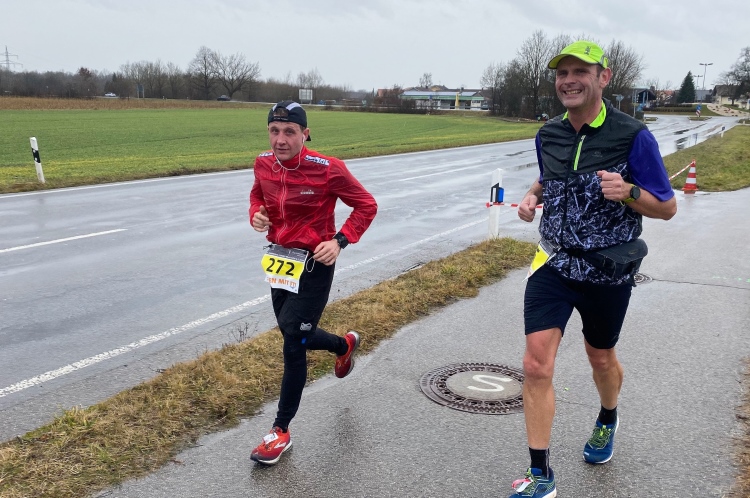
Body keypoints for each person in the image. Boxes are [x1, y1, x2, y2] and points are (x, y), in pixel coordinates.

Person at [509, 41, 677, 497]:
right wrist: (532, 196)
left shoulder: (633, 135)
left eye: (579, 71)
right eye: (562, 73)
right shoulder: (548, 133)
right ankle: (540, 475)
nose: (569, 80)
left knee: (600, 356)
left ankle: (607, 417)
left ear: (603, 77)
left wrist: (629, 192)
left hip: (607, 270)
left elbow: (667, 207)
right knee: (535, 364)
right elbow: (548, 176)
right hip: (554, 263)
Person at [248, 100, 377, 465]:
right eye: (274, 131)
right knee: (295, 332)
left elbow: (366, 205)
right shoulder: (262, 163)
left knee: (293, 341)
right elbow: (258, 195)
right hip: (280, 261)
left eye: (289, 132)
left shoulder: (328, 169)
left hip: (315, 263)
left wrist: (340, 241)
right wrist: (256, 213)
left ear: (305, 133)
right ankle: (343, 345)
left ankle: (280, 431)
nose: (280, 139)